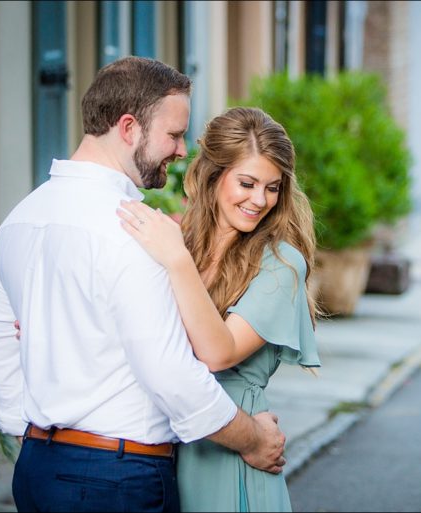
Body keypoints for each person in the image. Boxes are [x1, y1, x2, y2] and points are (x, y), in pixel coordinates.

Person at [0, 57, 286, 513]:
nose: (182, 151)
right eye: (175, 135)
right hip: (117, 479)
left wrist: (35, 430)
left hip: (36, 472)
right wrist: (254, 439)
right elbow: (174, 377)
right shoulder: (135, 233)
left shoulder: (20, 220)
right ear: (128, 128)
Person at [116, 106, 321, 512]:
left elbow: (220, 351)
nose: (259, 200)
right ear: (213, 175)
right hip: (163, 442)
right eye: (247, 183)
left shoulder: (281, 263)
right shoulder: (179, 238)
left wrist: (176, 260)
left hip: (234, 451)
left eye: (273, 187)